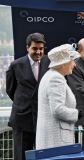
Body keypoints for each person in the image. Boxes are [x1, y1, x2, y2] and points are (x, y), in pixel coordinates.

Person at [6, 32, 50, 160]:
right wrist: (23, 103)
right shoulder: (16, 65)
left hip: (43, 119)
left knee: (44, 156)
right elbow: (11, 90)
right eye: (34, 48)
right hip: (21, 119)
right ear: (27, 48)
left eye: (41, 49)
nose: (38, 52)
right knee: (21, 156)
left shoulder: (50, 63)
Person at [36, 44, 80, 149]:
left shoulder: (49, 76)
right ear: (64, 63)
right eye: (72, 60)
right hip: (57, 142)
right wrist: (77, 114)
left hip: (52, 141)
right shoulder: (56, 78)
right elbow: (57, 110)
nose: (74, 64)